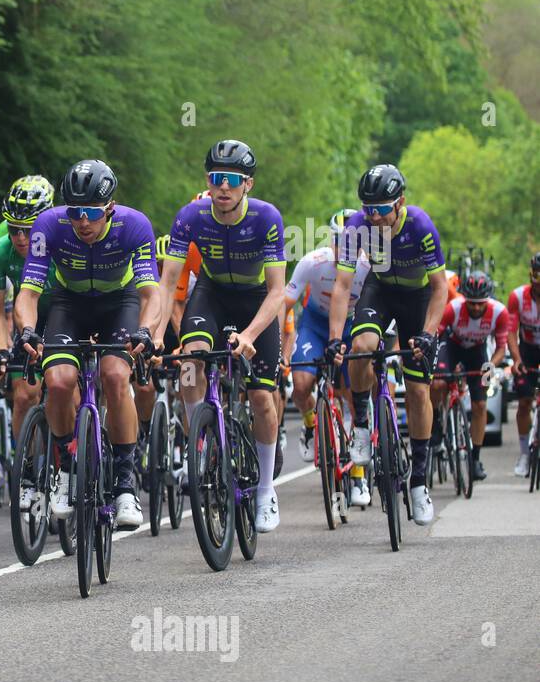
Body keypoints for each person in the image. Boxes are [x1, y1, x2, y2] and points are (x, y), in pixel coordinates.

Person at [15, 159, 159, 530]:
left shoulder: (134, 225)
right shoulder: (49, 225)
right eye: (75, 211)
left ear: (109, 208)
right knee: (59, 382)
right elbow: (28, 293)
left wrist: (145, 329)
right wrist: (28, 329)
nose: (82, 221)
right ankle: (65, 470)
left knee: (115, 375)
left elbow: (151, 294)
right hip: (70, 304)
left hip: (119, 304)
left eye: (91, 213)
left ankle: (125, 483)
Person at [156, 141, 287, 532]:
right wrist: (155, 332)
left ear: (247, 184)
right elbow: (166, 284)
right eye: (216, 179)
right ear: (208, 181)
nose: (223, 187)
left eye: (231, 180)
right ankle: (199, 437)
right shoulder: (190, 216)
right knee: (190, 357)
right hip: (211, 295)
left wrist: (248, 335)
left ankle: (265, 489)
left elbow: (278, 291)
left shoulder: (266, 218)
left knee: (263, 396)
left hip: (254, 301)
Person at [329, 164, 449, 526]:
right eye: (369, 209)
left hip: (417, 297)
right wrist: (336, 338)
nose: (376, 216)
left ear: (401, 203)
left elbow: (440, 288)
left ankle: (419, 482)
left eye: (383, 208)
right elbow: (341, 286)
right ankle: (363, 425)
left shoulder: (421, 226)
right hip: (380, 291)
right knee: (360, 346)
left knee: (417, 390)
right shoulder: (357, 228)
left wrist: (427, 334)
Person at [284, 208, 371, 504]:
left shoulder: (366, 267)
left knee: (352, 395)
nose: (343, 247)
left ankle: (359, 477)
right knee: (301, 383)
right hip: (315, 325)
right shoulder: (312, 262)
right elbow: (285, 302)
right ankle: (311, 425)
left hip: (350, 326)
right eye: (339, 240)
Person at [0, 175, 54, 469]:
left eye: (29, 230)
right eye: (14, 229)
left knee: (69, 390)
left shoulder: (63, 242)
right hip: (29, 318)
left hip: (66, 313)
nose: (21, 238)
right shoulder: (0, 251)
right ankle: (24, 466)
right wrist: (1, 349)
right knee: (25, 395)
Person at [431, 271, 507, 482]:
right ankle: (437, 422)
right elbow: (436, 336)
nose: (475, 307)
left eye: (480, 303)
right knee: (437, 382)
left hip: (478, 353)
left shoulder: (499, 312)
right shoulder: (453, 309)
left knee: (481, 405)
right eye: (471, 303)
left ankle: (475, 459)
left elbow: (501, 348)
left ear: (488, 300)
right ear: (465, 298)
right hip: (452, 346)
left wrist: (490, 367)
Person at [506, 253, 540, 476]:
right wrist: (516, 359)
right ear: (531, 275)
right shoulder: (518, 296)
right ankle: (525, 455)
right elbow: (510, 331)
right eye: (537, 276)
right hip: (527, 350)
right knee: (525, 401)